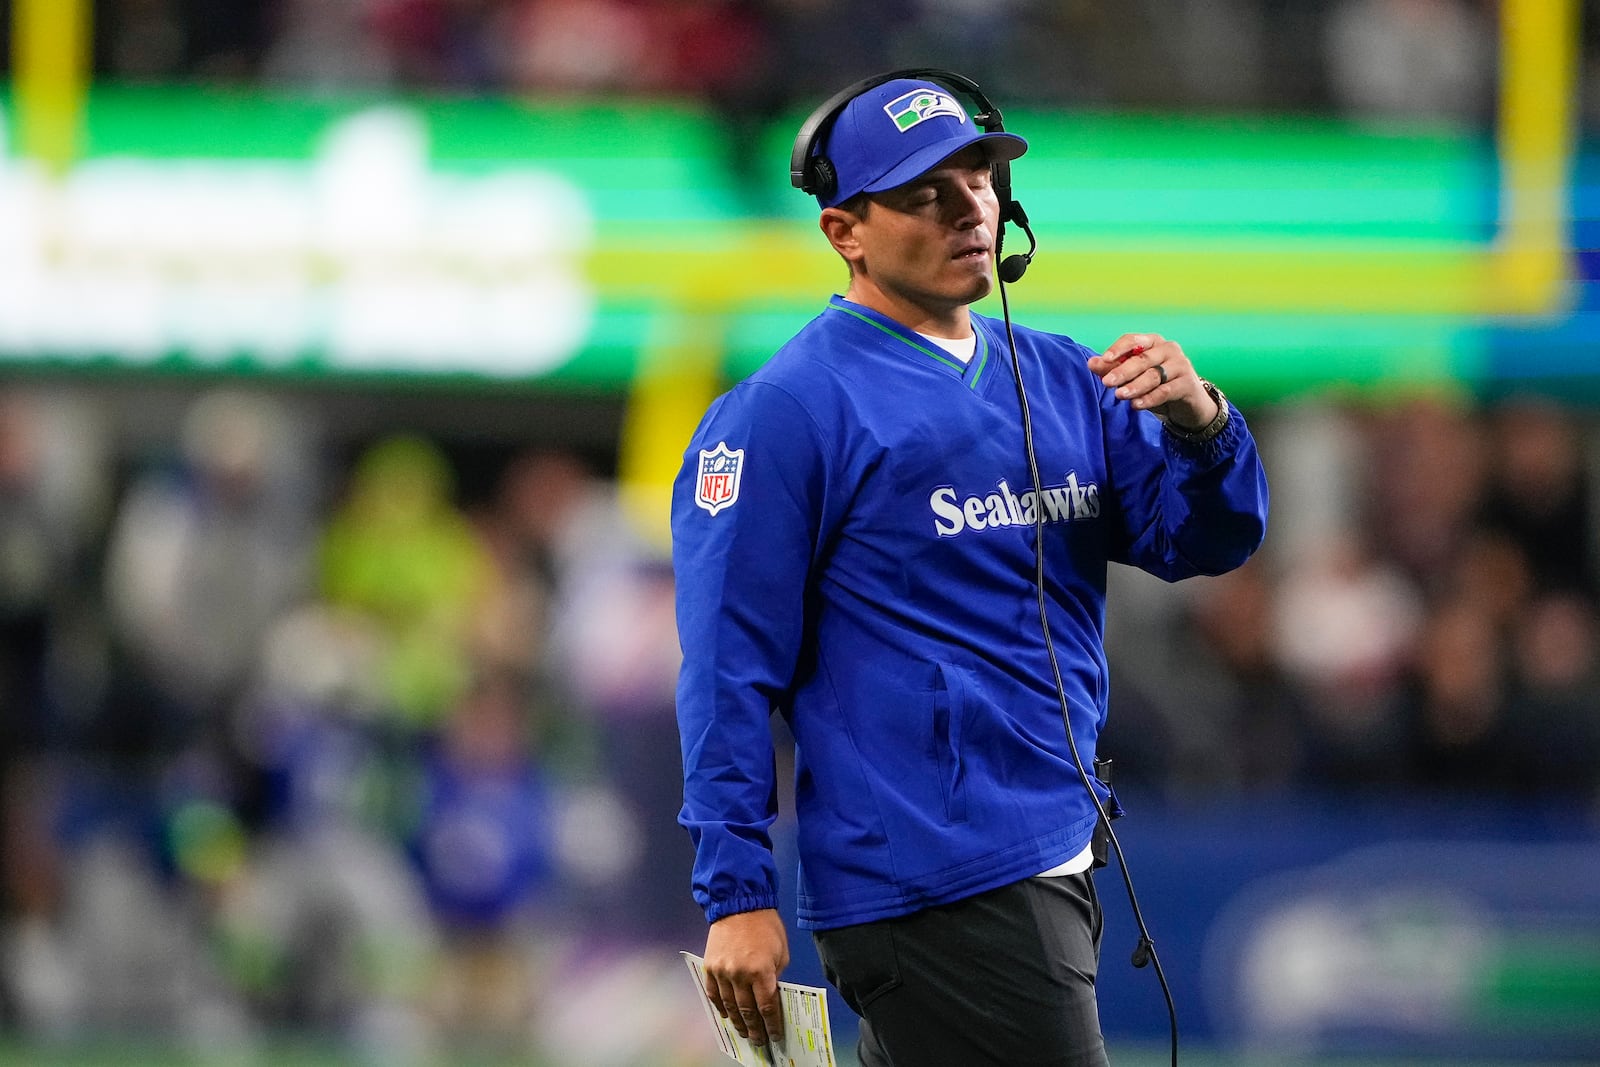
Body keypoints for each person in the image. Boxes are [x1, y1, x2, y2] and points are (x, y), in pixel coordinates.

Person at [670, 70, 1270, 1066]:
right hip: (932, 876)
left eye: (980, 180)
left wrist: (1200, 426)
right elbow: (727, 667)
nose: (970, 210)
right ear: (843, 231)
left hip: (1050, 849)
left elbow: (1202, 542)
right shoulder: (788, 408)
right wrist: (735, 891)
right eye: (924, 194)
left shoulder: (1063, 376)